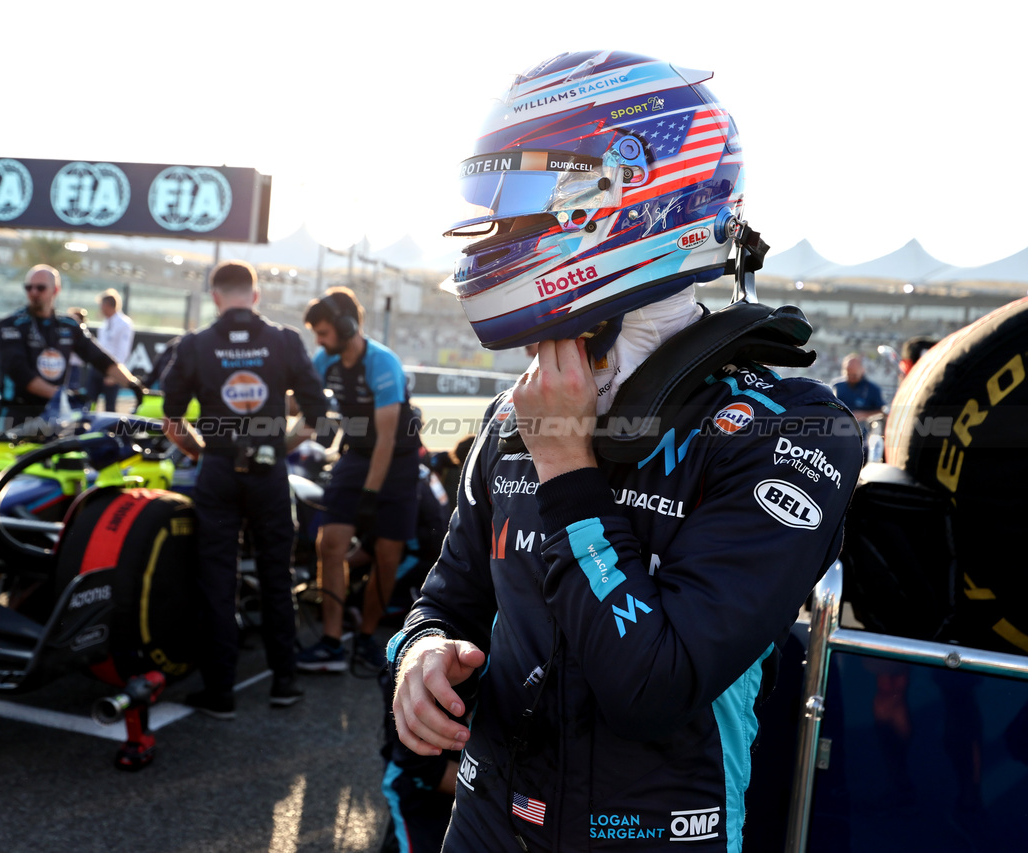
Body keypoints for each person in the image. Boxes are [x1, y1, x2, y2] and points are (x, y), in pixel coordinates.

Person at [388, 50, 864, 851]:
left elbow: (653, 684)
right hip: (482, 825)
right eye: (494, 196)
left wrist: (567, 468)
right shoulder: (521, 411)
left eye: (531, 194)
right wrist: (418, 655)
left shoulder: (792, 429)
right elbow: (446, 596)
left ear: (637, 196)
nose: (501, 225)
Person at [160, 260, 329, 718]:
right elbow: (317, 413)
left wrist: (202, 453)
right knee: (277, 577)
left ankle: (220, 693)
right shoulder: (285, 340)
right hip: (270, 472)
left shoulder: (196, 345)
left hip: (217, 470)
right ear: (255, 295)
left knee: (218, 581)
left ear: (215, 296)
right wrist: (282, 444)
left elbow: (170, 419)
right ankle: (285, 684)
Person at [298, 287, 421, 673]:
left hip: (397, 463)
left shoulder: (382, 363)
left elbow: (386, 439)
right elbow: (303, 409)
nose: (318, 340)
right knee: (330, 544)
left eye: (322, 332)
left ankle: (367, 637)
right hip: (355, 457)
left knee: (387, 557)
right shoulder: (324, 360)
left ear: (347, 326)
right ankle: (332, 643)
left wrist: (370, 494)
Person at [0, 265, 141, 428]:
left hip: (54, 416)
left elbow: (100, 359)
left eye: (40, 288)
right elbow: (19, 373)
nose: (33, 292)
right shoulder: (10, 326)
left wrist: (134, 385)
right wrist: (62, 396)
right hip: (15, 415)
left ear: (55, 290)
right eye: (29, 287)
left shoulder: (69, 325)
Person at [85, 288, 135, 412]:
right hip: (97, 369)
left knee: (109, 408)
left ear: (107, 305)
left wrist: (114, 375)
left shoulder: (124, 323)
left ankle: (109, 431)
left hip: (112, 370)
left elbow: (123, 351)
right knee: (89, 404)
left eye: (101, 305)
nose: (100, 308)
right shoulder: (105, 323)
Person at [833, 352, 886, 423]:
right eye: (848, 374)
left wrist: (864, 415)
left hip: (865, 430)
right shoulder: (837, 387)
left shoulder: (873, 389)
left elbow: (882, 412)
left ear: (862, 370)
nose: (851, 377)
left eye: (854, 375)